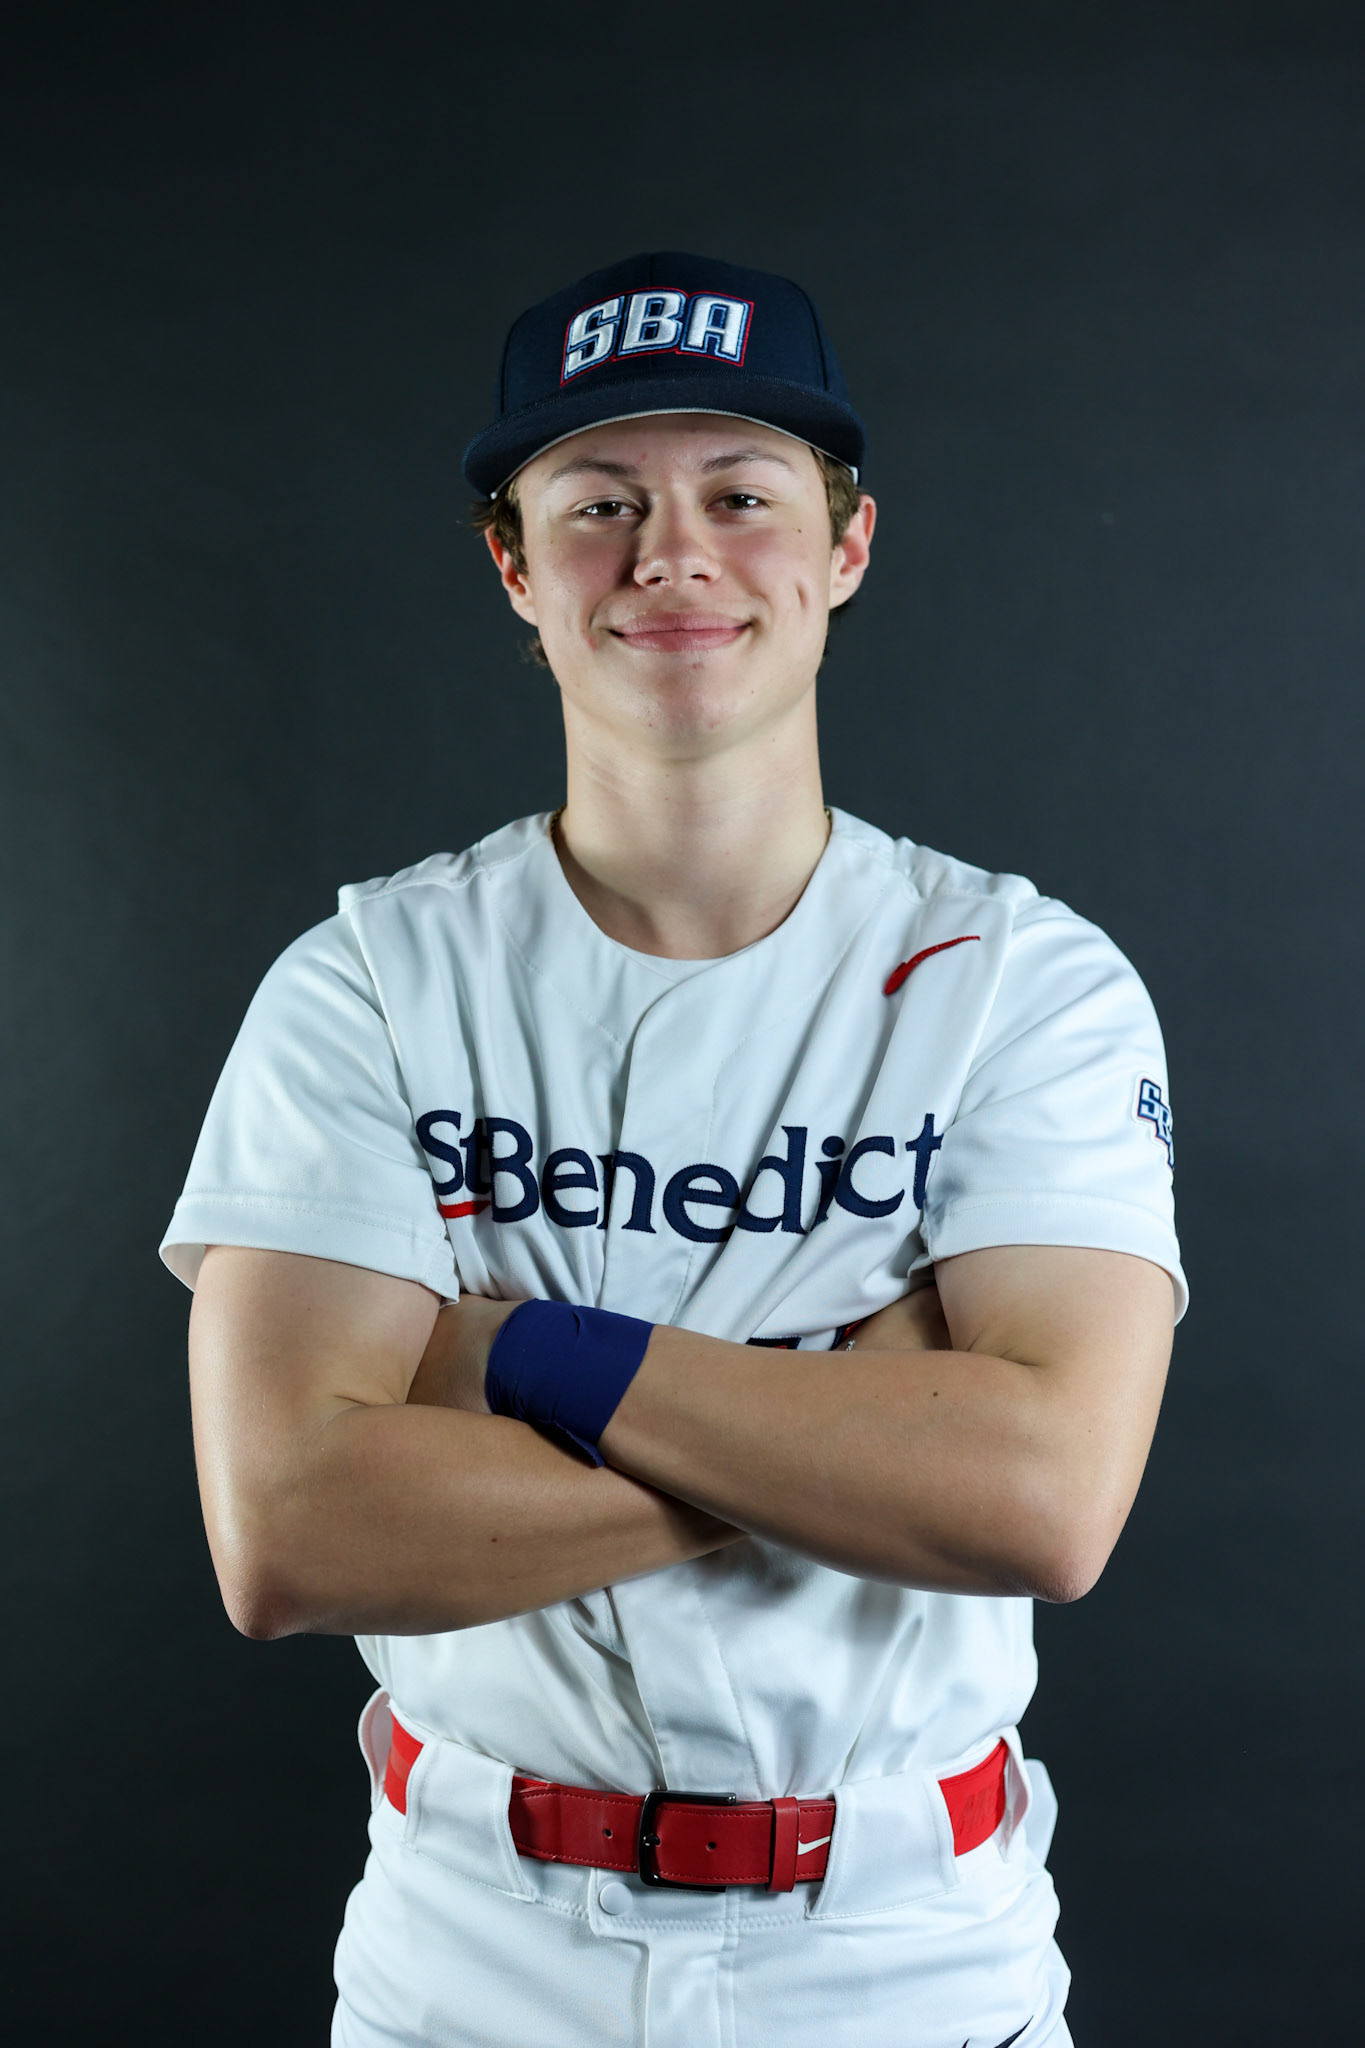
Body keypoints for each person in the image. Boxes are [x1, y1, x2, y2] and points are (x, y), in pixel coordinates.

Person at [161, 251, 1186, 2048]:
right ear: (513, 566)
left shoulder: (1024, 980)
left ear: (845, 549)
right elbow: (293, 1533)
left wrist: (525, 1356)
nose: (672, 554)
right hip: (473, 1957)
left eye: (742, 495)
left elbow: (1037, 1503)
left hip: (903, 1956)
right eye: (597, 503)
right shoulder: (371, 982)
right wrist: (848, 1431)